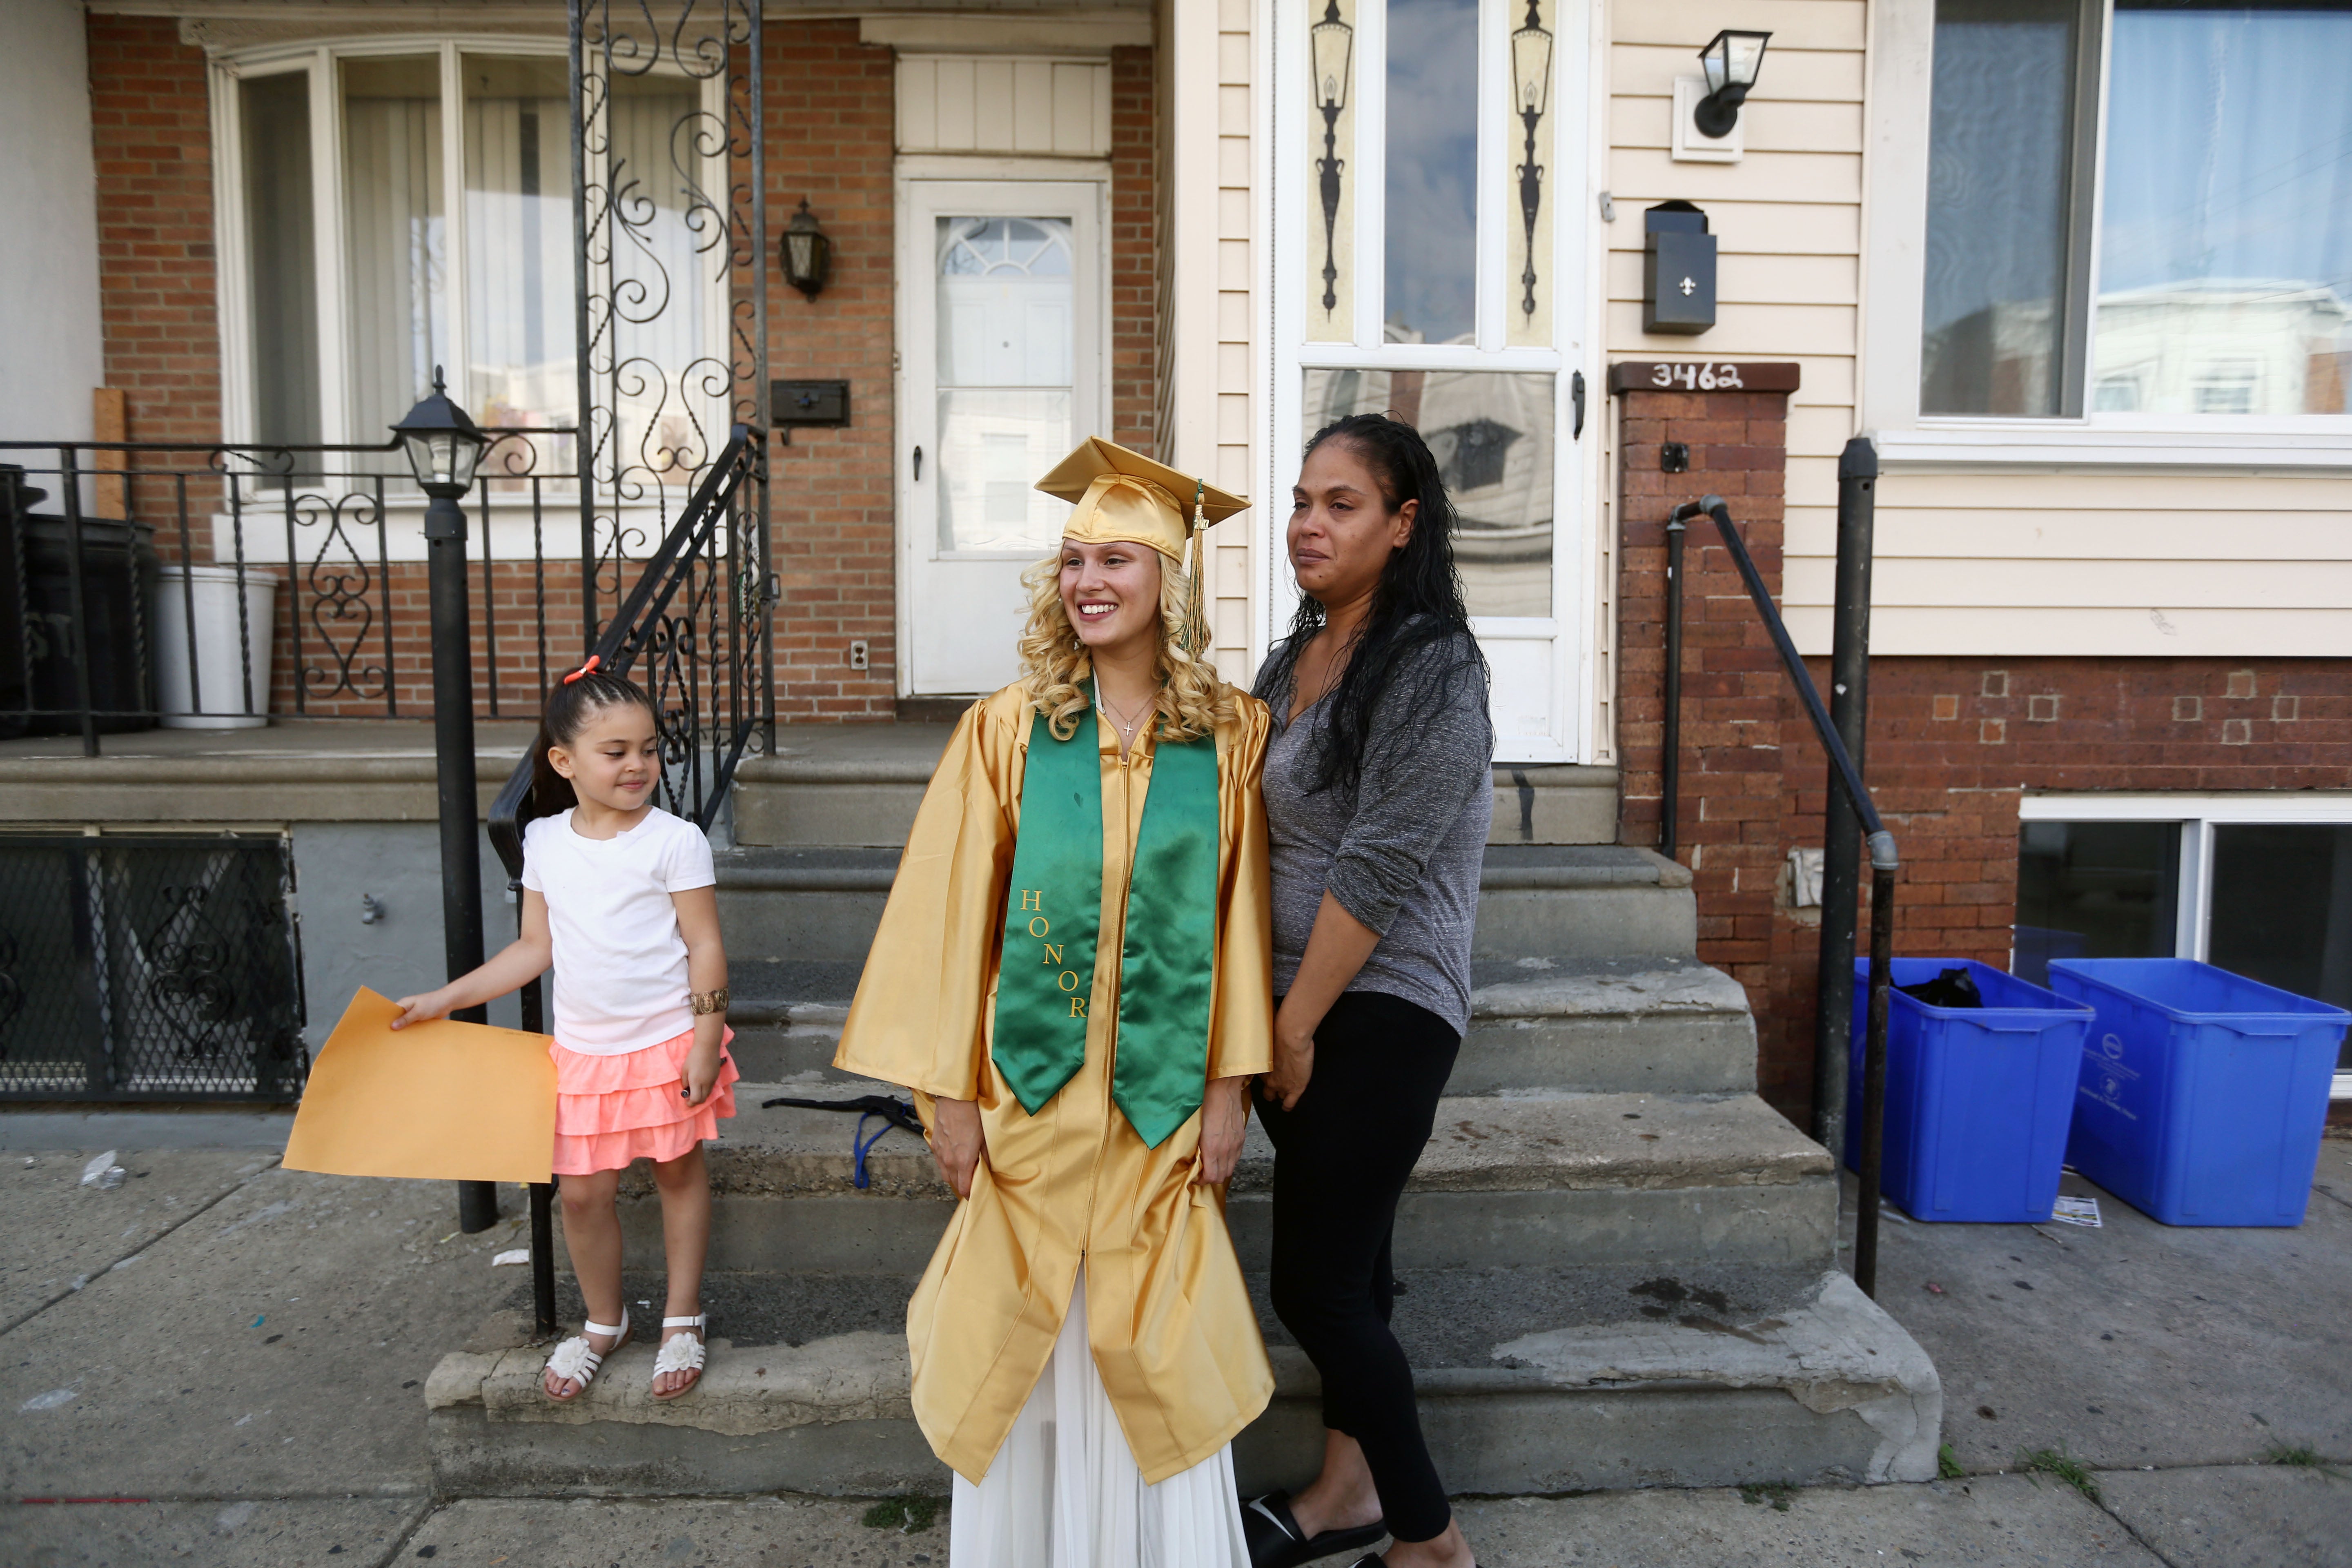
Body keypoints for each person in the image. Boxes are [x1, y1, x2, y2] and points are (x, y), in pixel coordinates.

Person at [835, 437, 1275, 1568]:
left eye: (1118, 560)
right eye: (1074, 558)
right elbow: (949, 919)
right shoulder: (1008, 730)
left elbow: (1236, 921)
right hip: (1028, 1096)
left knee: (1154, 1334)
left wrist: (1229, 1088)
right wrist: (945, 1093)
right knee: (1026, 1330)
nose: (1087, 580)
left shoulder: (1226, 735)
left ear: (1167, 584)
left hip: (1160, 1106)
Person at [1241, 414, 1492, 1568]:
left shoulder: (1434, 665)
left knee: (1315, 1286)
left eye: (1341, 504)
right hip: (1290, 1004)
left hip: (1384, 1004)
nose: (1308, 523)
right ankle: (1349, 1493)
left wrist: (1291, 1027)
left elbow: (1382, 863)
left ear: (1402, 526)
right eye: (1302, 500)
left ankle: (1431, 1539)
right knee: (1359, 1267)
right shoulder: (1289, 663)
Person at [392, 659, 737, 1404]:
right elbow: (533, 949)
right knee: (581, 1196)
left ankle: (683, 1317)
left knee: (677, 1173)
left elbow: (704, 944)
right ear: (563, 761)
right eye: (616, 753)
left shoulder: (676, 841)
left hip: (667, 1042)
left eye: (648, 748)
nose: (639, 764)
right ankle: (604, 1324)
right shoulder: (545, 840)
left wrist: (706, 1040)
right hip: (584, 1055)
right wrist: (446, 999)